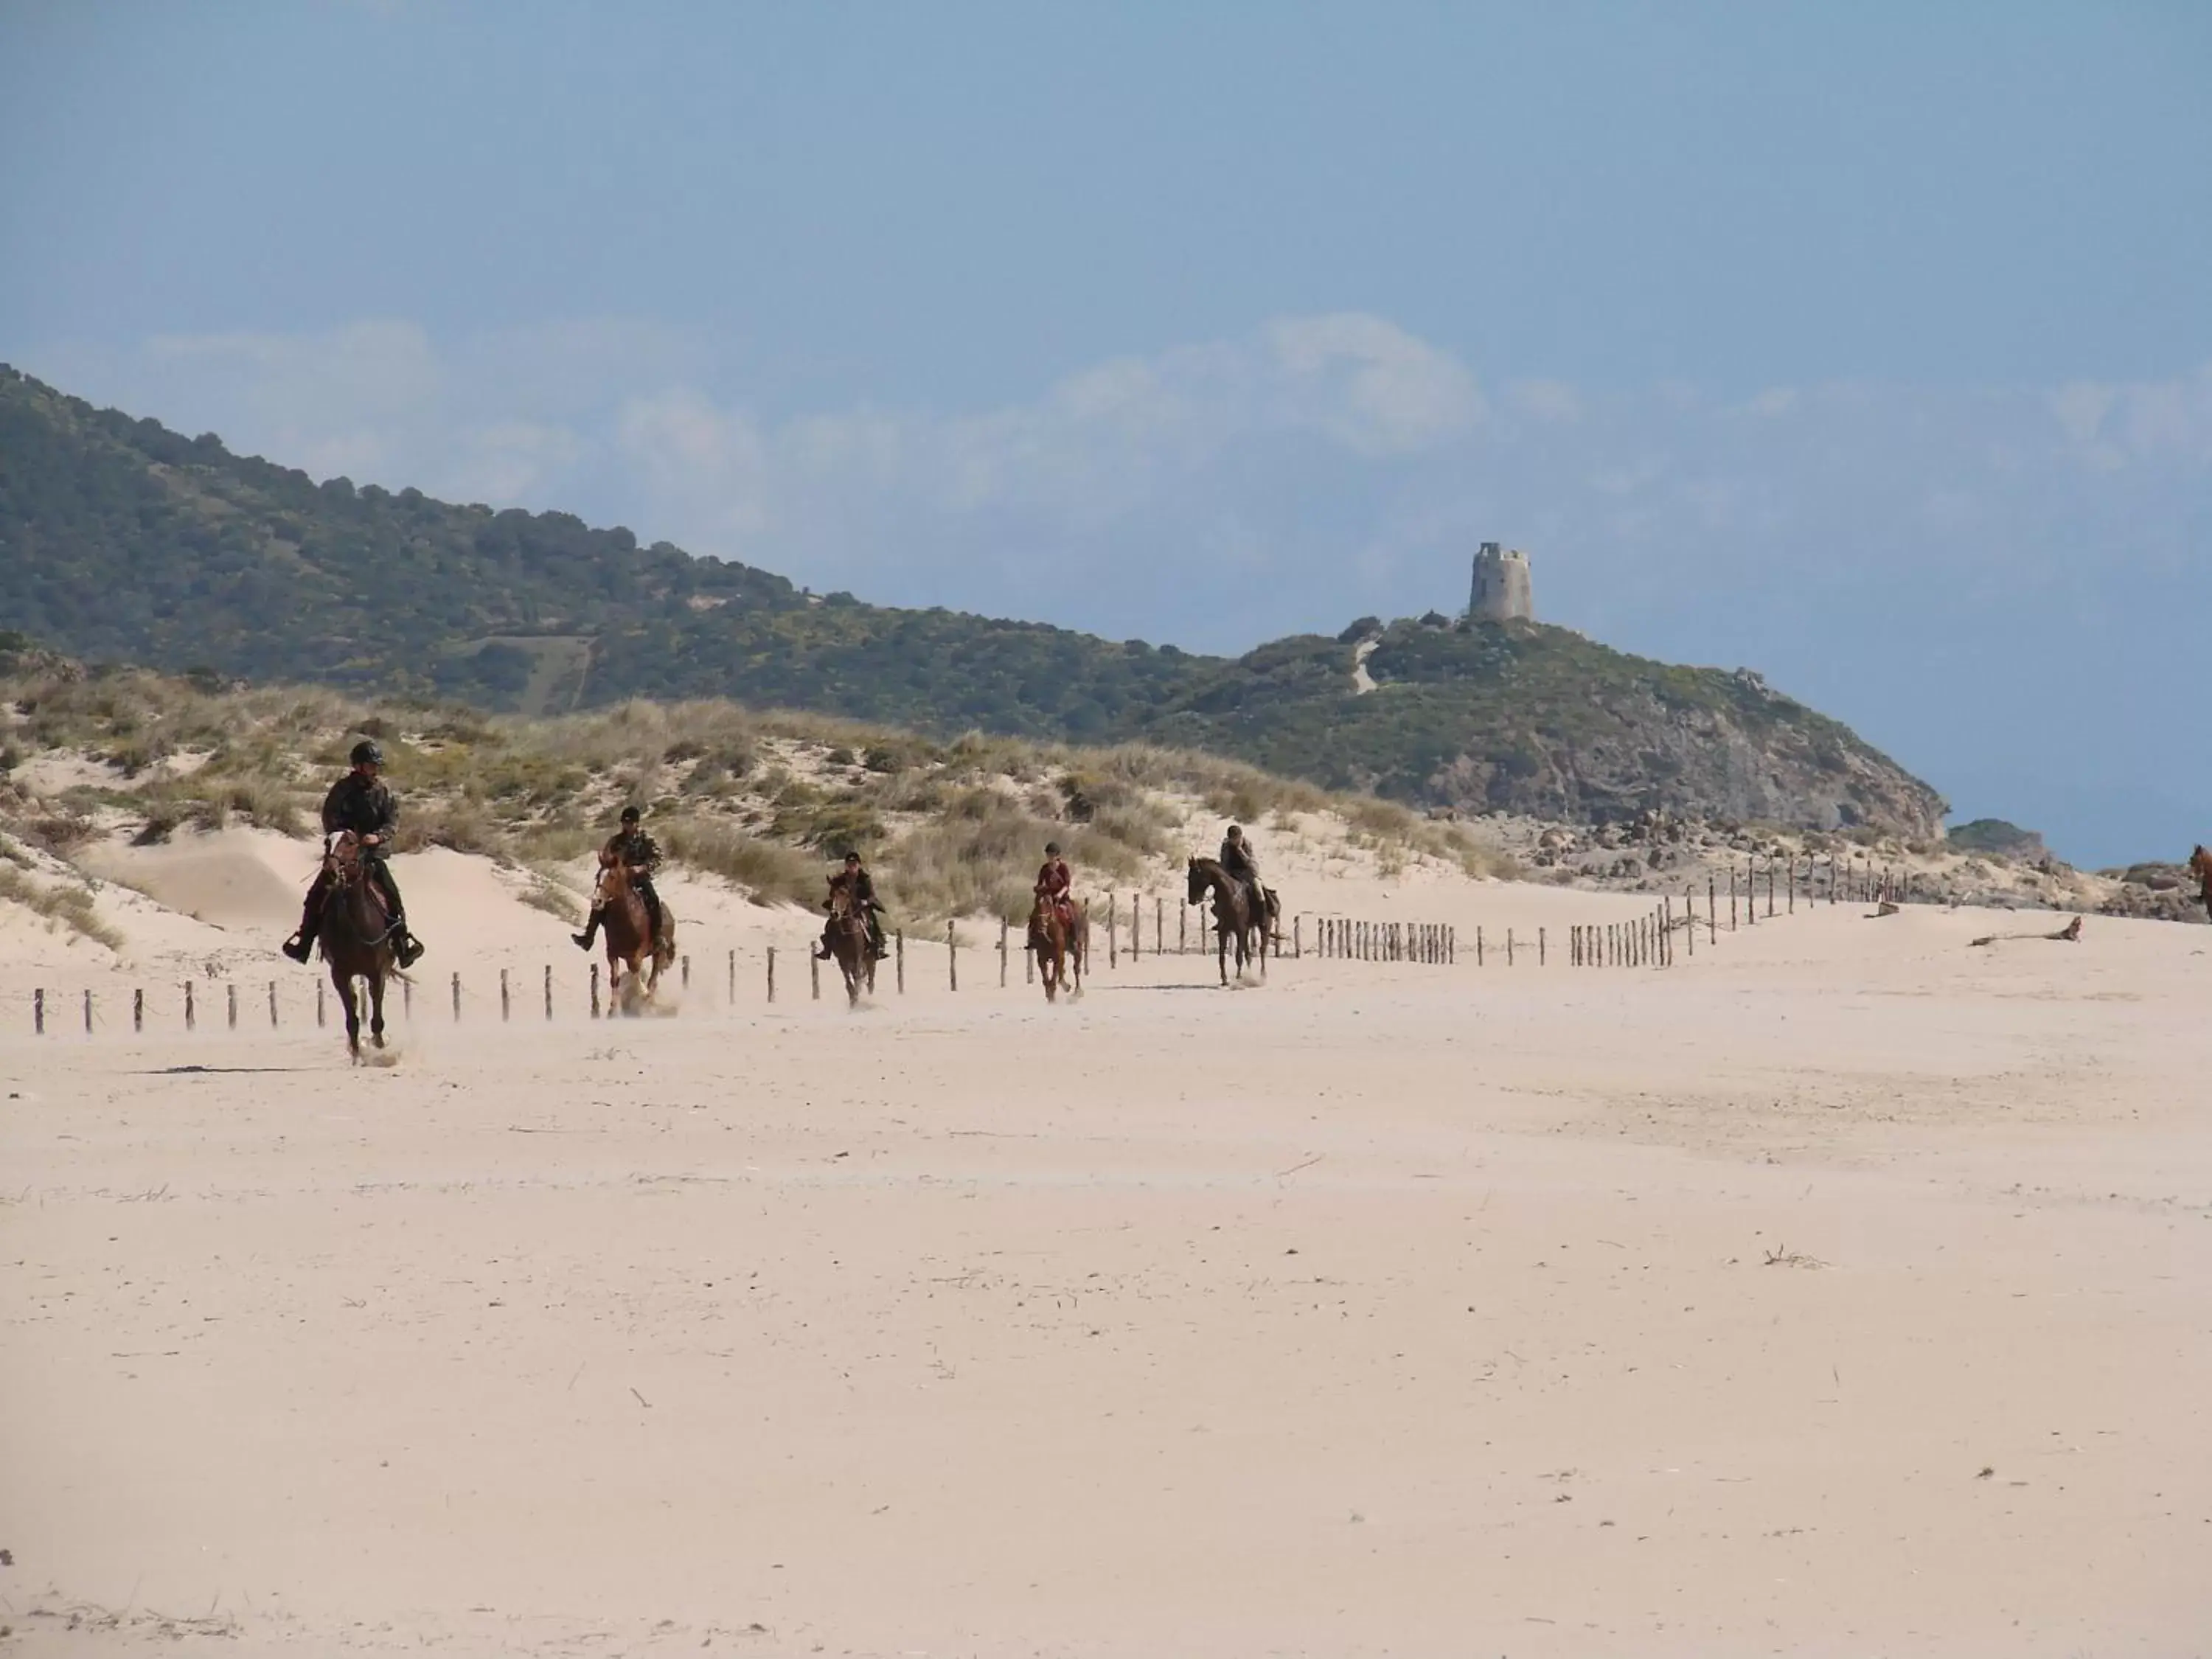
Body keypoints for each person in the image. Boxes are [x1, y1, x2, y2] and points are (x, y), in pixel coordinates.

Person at [282, 740, 424, 967]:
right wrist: (343, 834)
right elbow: (329, 816)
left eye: (376, 766)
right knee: (315, 896)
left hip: (372, 855)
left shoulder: (383, 792)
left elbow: (392, 821)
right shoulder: (342, 790)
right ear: (358, 766)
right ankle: (304, 942)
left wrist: (377, 837)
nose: (375, 770)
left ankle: (402, 945)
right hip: (343, 854)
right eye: (371, 765)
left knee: (393, 897)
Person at [574, 805, 664, 952]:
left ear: (636, 823)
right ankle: (588, 937)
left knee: (653, 900)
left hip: (639, 877)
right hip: (619, 879)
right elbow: (608, 856)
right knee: (599, 902)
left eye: (630, 823)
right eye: (624, 823)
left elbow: (659, 857)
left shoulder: (646, 839)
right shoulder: (616, 840)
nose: (627, 826)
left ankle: (658, 936)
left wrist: (643, 868)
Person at [817, 850, 886, 961]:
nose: (852, 867)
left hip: (861, 906)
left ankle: (878, 947)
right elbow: (833, 892)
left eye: (854, 865)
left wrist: (866, 902)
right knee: (830, 924)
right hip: (844, 907)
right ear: (846, 866)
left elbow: (872, 895)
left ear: (859, 865)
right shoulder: (840, 879)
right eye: (849, 865)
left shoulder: (865, 878)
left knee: (872, 922)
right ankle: (827, 949)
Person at [1220, 823, 1265, 917]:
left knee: (1259, 891)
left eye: (1237, 839)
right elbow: (1224, 862)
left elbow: (1252, 866)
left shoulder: (1247, 845)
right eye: (1233, 839)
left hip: (1248, 874)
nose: (1235, 841)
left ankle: (1262, 917)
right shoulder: (1226, 846)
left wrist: (1240, 851)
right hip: (1232, 874)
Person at [1034, 841, 1074, 926]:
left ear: (1057, 856)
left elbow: (1067, 884)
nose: (1050, 857)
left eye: (1052, 855)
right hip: (1048, 896)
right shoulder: (1044, 868)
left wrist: (1060, 894)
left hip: (1061, 897)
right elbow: (1040, 883)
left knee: (1070, 915)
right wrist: (1040, 889)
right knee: (1036, 914)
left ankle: (1073, 936)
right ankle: (1032, 936)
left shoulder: (1063, 868)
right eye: (1048, 855)